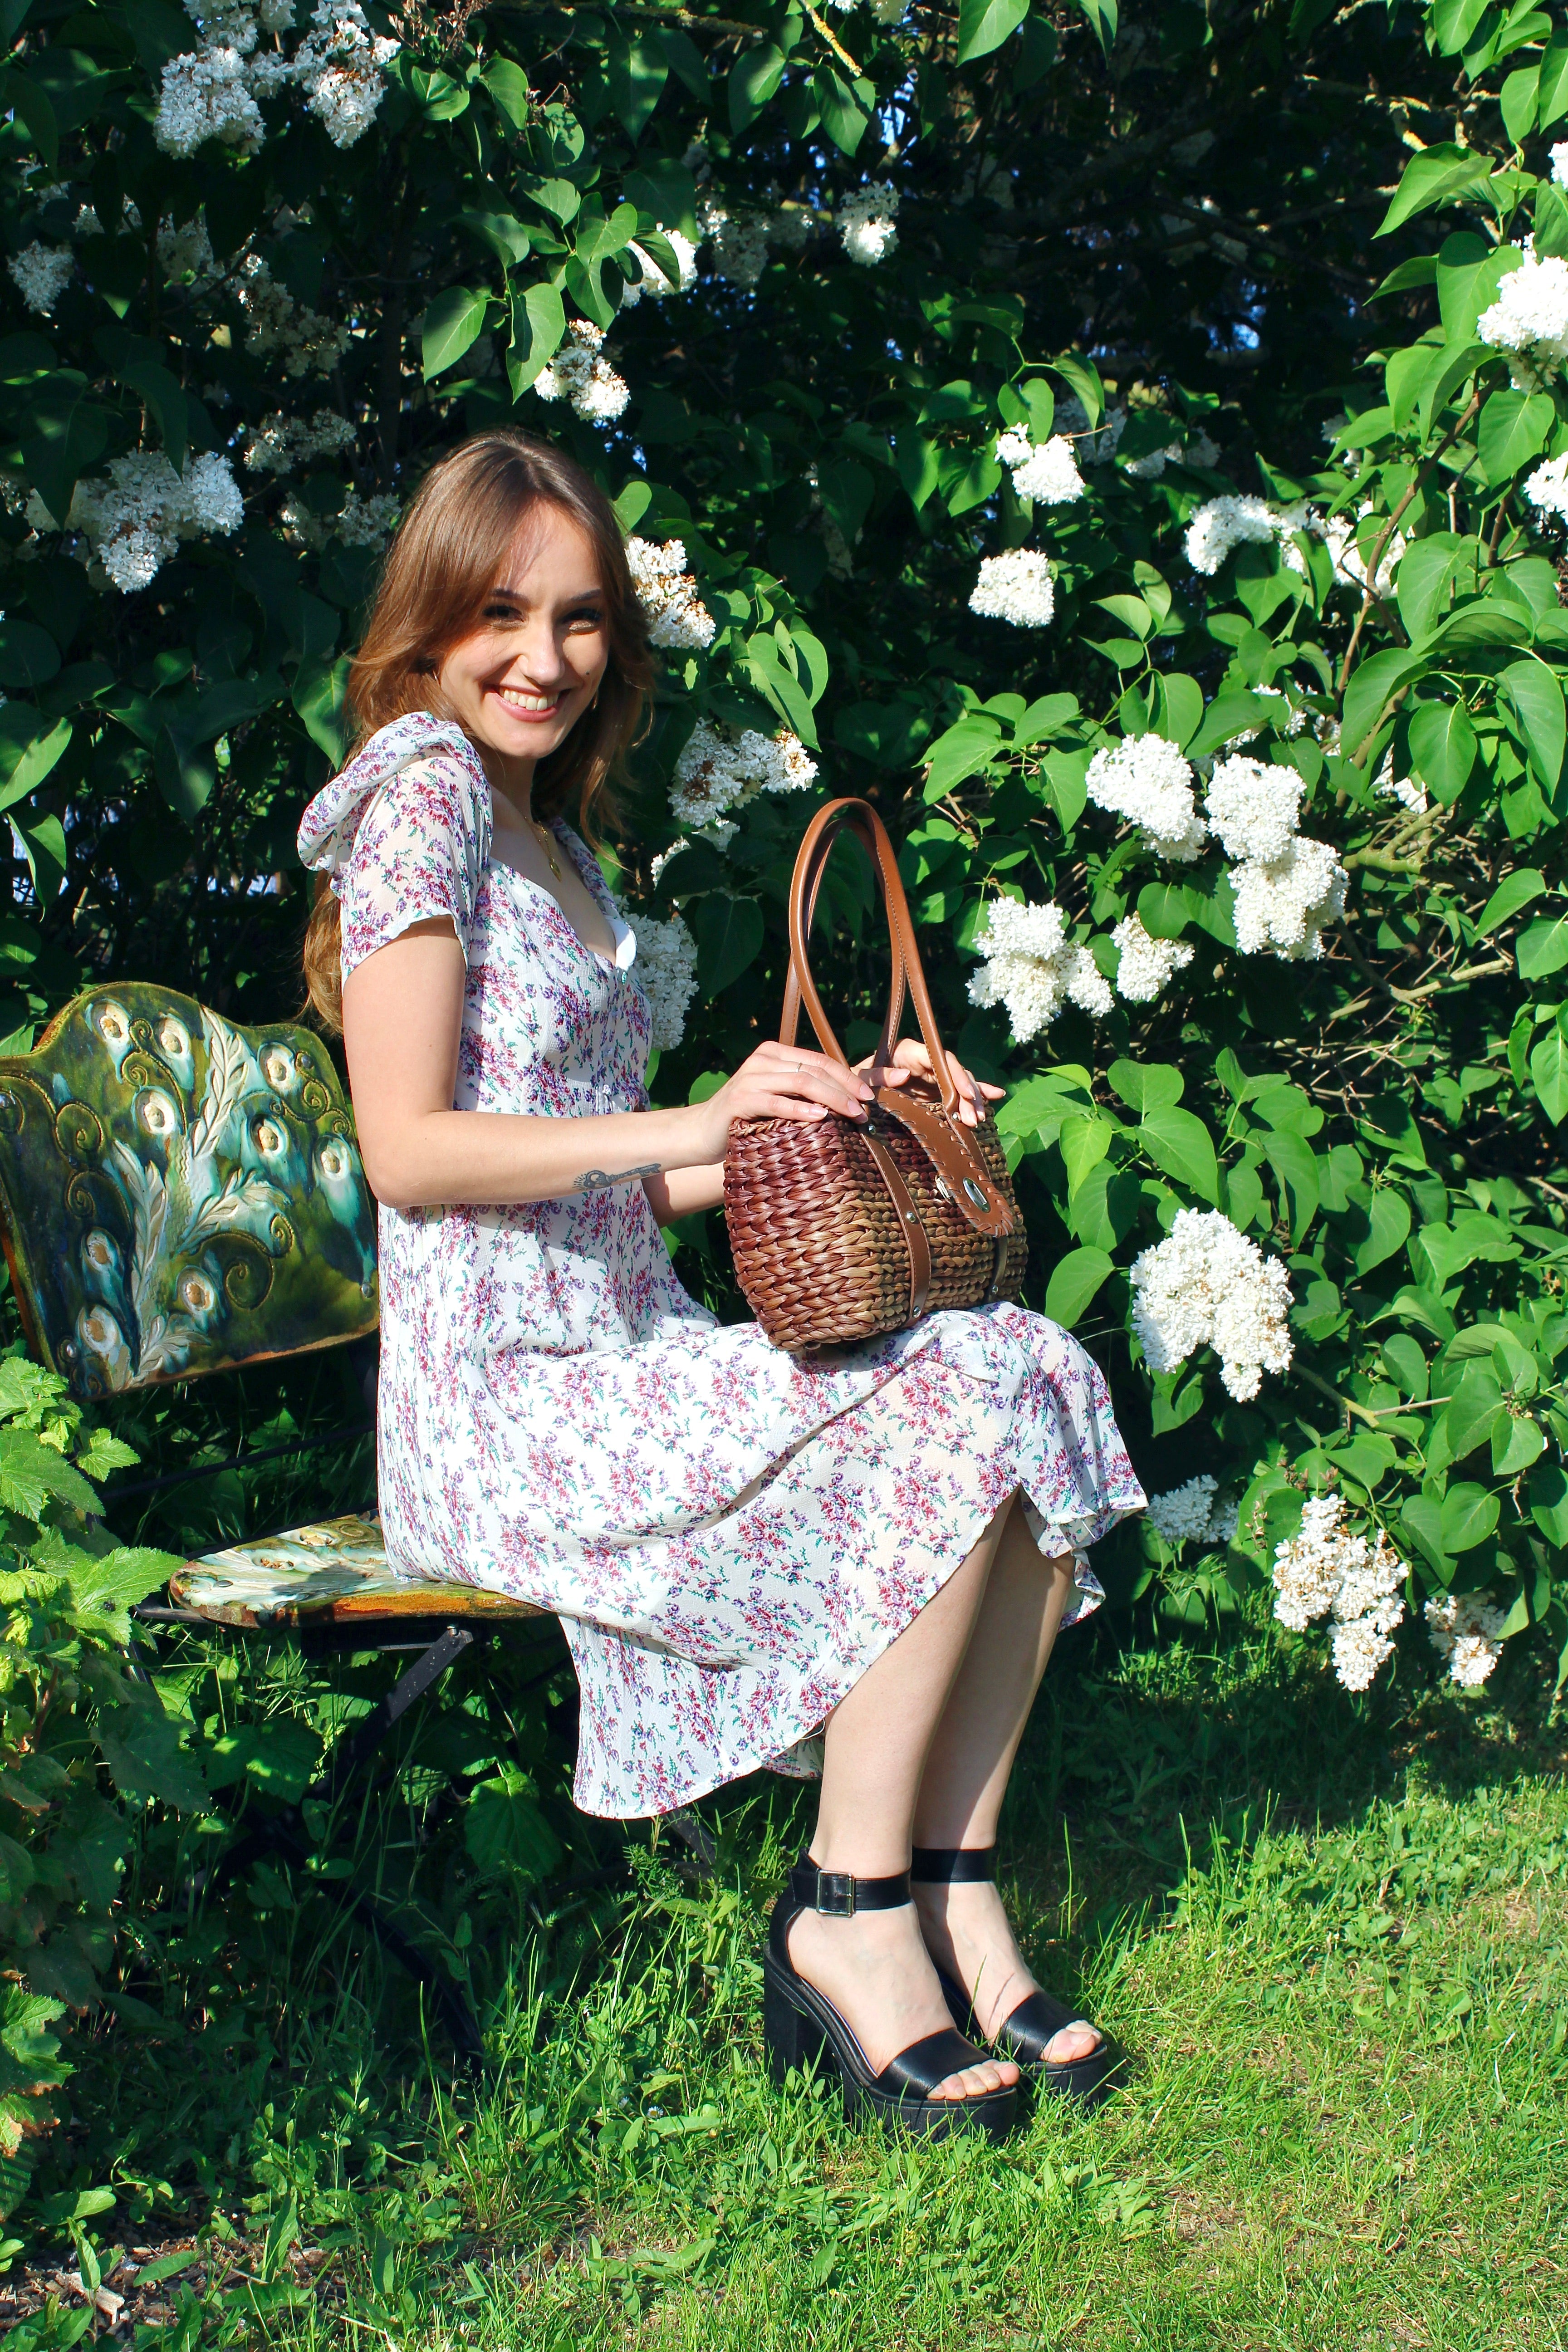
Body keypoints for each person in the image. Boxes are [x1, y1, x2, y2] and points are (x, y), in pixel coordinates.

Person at [298, 426, 1145, 2143]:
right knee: (964, 1389)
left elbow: (637, 1185)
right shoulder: (423, 797)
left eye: (585, 619)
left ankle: (954, 1884)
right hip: (506, 1409)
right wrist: (702, 1104)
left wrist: (839, 1111)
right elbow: (410, 1149)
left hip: (623, 1348)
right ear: (430, 621)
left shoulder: (555, 842)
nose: (545, 658)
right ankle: (846, 1915)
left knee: (1021, 1357)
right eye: (502, 615)